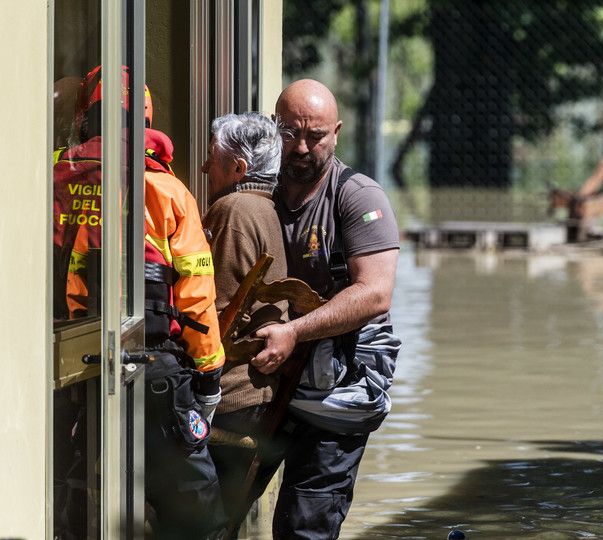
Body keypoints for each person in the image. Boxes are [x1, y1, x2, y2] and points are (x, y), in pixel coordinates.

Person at [58, 65, 227, 538]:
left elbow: (65, 283)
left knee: (81, 511)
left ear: (87, 120)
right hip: (157, 374)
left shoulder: (65, 183)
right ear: (148, 120)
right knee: (198, 519)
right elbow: (196, 295)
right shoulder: (170, 190)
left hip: (78, 372)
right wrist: (210, 376)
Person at [249, 79, 402, 538]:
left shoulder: (358, 195)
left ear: (336, 133)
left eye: (314, 136)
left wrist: (296, 332)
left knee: (303, 527)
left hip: (338, 389)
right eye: (289, 132)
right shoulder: (258, 191)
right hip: (268, 379)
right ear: (273, 128)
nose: (300, 147)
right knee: (216, 506)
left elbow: (375, 294)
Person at [200, 112, 290, 527]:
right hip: (255, 400)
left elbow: (207, 314)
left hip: (230, 399)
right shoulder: (265, 208)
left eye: (211, 158)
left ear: (238, 168)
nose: (203, 167)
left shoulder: (233, 209)